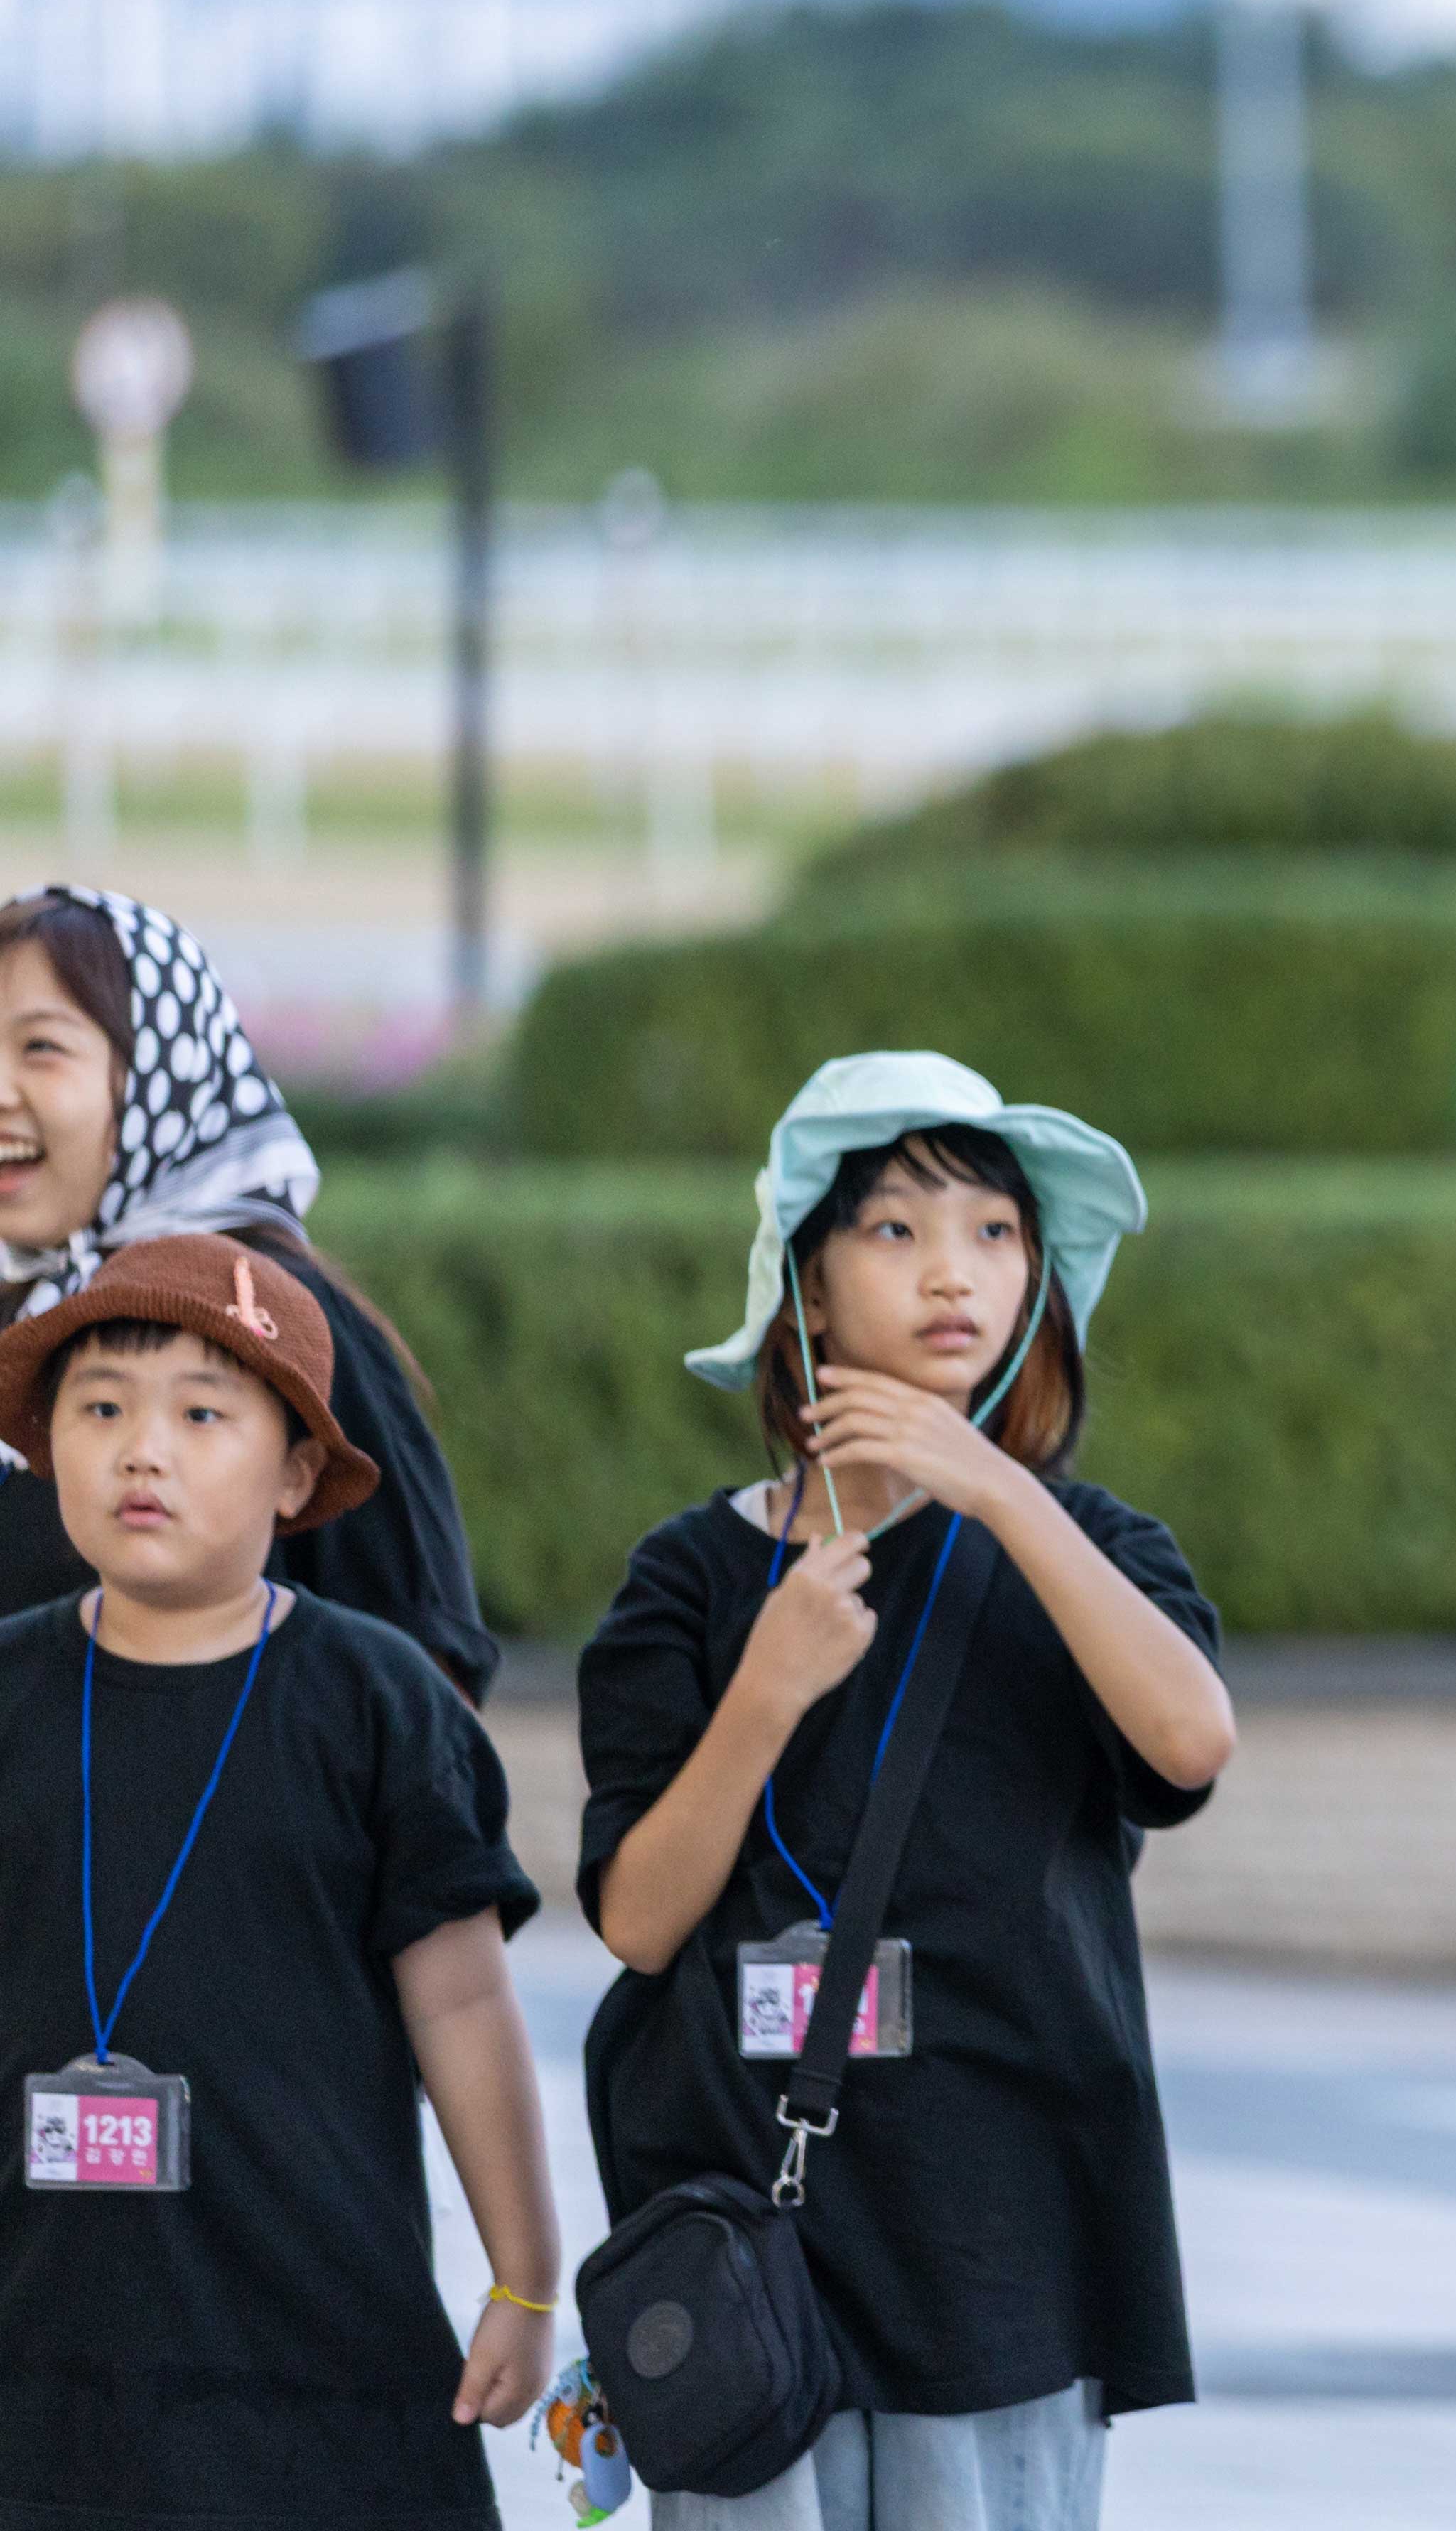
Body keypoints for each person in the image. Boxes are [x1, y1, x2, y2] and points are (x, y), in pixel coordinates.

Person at [573, 1053, 1234, 2530]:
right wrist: (766, 1687)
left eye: (996, 1232)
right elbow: (637, 1918)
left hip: (1004, 2244)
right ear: (807, 1286)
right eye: (895, 1228)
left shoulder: (1093, 1549)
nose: (955, 1270)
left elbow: (1192, 1741)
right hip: (751, 2237)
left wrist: (1000, 1490)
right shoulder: (688, 1576)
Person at [0, 1231, 556, 2523]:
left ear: (298, 1470)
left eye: (202, 1414)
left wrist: (525, 2276)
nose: (143, 1450)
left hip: (316, 2366)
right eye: (101, 1409)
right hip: (39, 2366)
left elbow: (463, 2002)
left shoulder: (379, 1702)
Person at [0, 888, 495, 1701]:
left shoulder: (271, 1313)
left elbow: (425, 1689)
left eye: (41, 1047)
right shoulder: (24, 1313)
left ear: (166, 1070)